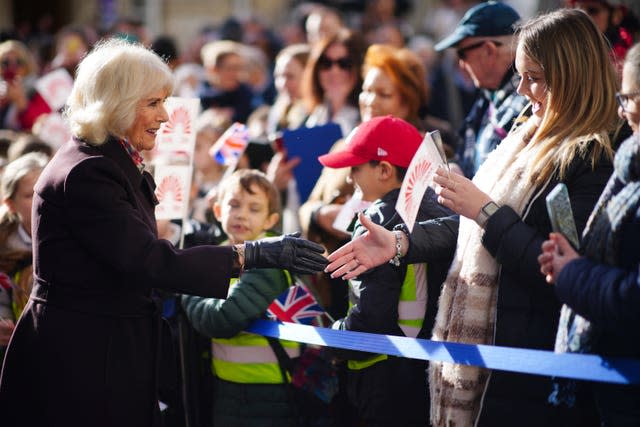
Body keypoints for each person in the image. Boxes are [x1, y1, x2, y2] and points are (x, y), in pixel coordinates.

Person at [0, 38, 327, 427]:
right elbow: (147, 260)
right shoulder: (88, 171)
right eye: (154, 103)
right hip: (83, 362)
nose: (166, 116)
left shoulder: (106, 160)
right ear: (117, 103)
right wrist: (252, 254)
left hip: (104, 353)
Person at [326, 8, 619, 426]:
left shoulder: (593, 157)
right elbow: (467, 228)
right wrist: (399, 244)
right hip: (490, 361)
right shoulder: (523, 138)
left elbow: (566, 269)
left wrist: (485, 210)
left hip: (532, 367)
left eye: (533, 77)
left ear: (570, 75)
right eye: (519, 75)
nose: (521, 90)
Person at [318, 115, 453, 426]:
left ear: (384, 170)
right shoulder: (440, 208)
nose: (349, 177)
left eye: (355, 167)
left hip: (380, 377)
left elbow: (368, 323)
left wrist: (331, 336)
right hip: (423, 373)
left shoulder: (377, 218)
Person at [538, 41, 640, 426]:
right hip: (609, 391)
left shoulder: (603, 156)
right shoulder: (629, 166)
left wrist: (573, 273)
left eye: (628, 97)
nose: (621, 109)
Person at [182, 169, 305, 426]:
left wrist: (186, 285)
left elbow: (220, 319)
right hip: (229, 387)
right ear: (218, 212)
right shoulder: (219, 252)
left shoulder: (270, 261)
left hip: (267, 392)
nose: (241, 214)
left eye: (254, 208)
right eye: (234, 204)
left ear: (271, 220)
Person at [434, 1, 528, 178]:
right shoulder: (490, 95)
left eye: (462, 54)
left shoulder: (528, 104)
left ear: (489, 51)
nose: (461, 64)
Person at [0, 152, 48, 362]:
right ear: (10, 204)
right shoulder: (3, 247)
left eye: (46, 190)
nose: (41, 199)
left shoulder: (72, 235)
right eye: (30, 195)